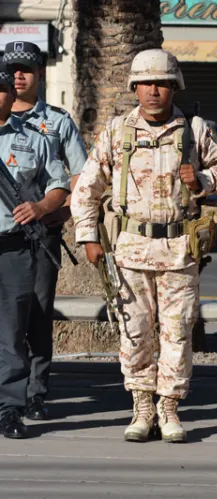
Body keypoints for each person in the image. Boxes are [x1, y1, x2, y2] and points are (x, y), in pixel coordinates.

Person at [71, 49, 217, 443]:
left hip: (179, 248)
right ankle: (142, 407)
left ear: (174, 86)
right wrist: (89, 237)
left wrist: (202, 181)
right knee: (136, 332)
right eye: (146, 83)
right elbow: (85, 191)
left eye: (161, 83)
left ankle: (170, 408)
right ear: (135, 87)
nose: (154, 91)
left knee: (177, 333)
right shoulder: (117, 131)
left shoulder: (195, 130)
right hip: (131, 251)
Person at [3, 40, 88, 421]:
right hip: (7, 234)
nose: (18, 76)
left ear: (39, 74)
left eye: (25, 69)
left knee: (36, 314)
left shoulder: (55, 121)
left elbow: (80, 176)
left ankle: (35, 392)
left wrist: (63, 211)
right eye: (10, 70)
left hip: (40, 236)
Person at [0, 62, 70, 439]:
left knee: (15, 331)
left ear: (11, 96)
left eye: (1, 89)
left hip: (15, 248)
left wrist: (43, 209)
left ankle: (12, 408)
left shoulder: (39, 136)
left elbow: (62, 184)